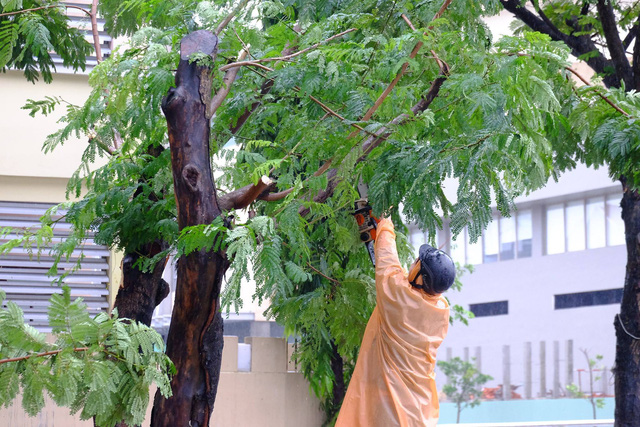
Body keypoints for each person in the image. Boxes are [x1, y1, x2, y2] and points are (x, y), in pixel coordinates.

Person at [335, 217, 456, 427]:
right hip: (419, 411)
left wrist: (385, 224)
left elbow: (388, 262)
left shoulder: (400, 298)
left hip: (391, 408)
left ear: (420, 276)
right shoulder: (440, 311)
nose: (413, 263)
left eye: (417, 263)